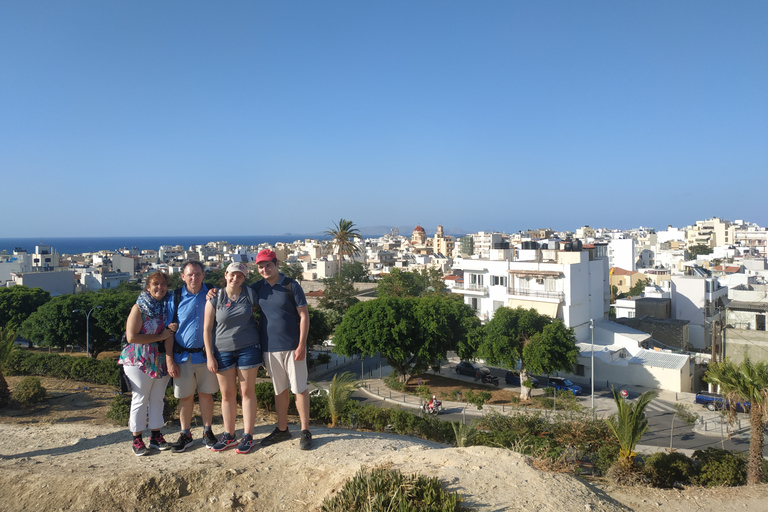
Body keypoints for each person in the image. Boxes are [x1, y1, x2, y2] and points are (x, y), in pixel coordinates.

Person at [252, 249, 312, 450]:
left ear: (276, 264)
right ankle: (283, 429)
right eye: (261, 266)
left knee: (300, 389)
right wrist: (213, 291)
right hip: (269, 348)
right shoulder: (256, 288)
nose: (265, 269)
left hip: (292, 347)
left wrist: (302, 344)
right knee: (280, 390)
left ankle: (305, 430)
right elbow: (234, 293)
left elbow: (304, 315)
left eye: (268, 265)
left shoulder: (291, 285)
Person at [204, 262, 262, 454]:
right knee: (227, 395)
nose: (235, 279)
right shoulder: (215, 296)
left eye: (240, 276)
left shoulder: (250, 294)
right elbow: (207, 329)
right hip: (222, 351)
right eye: (232, 275)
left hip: (248, 348)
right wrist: (210, 355)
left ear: (244, 278)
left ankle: (248, 435)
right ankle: (229, 434)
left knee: (247, 392)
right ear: (226, 274)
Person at [165, 261, 219, 452]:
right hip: (183, 357)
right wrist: (169, 359)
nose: (194, 278)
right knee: (185, 397)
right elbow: (169, 331)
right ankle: (185, 433)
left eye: (197, 274)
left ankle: (207, 431)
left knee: (206, 395)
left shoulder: (213, 293)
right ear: (182, 276)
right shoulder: (175, 298)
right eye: (190, 275)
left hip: (206, 356)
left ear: (204, 274)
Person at [118, 271, 174, 456]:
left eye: (163, 284)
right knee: (140, 398)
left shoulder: (167, 306)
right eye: (155, 284)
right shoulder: (139, 307)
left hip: (159, 358)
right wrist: (160, 336)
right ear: (147, 287)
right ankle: (137, 439)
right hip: (139, 358)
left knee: (157, 398)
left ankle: (156, 435)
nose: (160, 287)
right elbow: (131, 336)